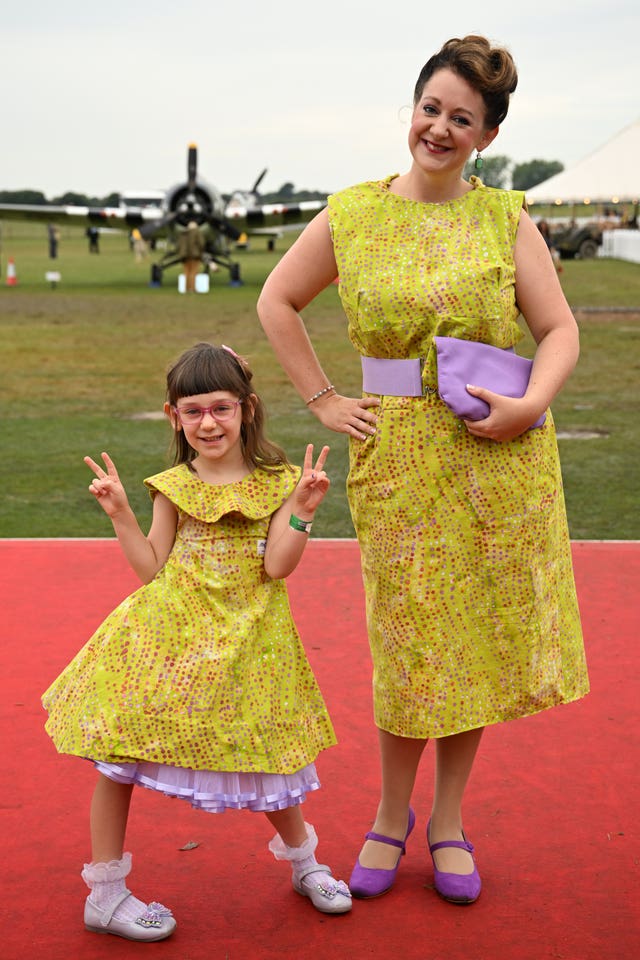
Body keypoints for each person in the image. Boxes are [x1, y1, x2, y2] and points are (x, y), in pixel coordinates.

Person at [257, 35, 588, 906]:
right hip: (397, 454)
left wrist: (530, 404)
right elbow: (276, 301)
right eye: (432, 108)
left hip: (494, 452)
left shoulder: (504, 217)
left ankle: (447, 821)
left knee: (470, 645)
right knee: (409, 646)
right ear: (411, 110)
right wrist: (325, 397)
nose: (440, 128)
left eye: (463, 119)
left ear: (486, 135)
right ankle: (387, 816)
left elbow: (559, 330)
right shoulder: (354, 213)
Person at [42, 342, 352, 942]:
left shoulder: (282, 482)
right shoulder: (171, 485)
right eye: (192, 411)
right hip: (166, 639)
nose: (208, 423)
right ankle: (104, 895)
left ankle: (306, 865)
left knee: (271, 757)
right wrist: (120, 513)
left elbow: (279, 568)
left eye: (220, 408)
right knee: (119, 758)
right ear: (173, 416)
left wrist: (304, 510)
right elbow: (152, 567)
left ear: (247, 409)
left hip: (251, 641)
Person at [177, 221, 205, 291]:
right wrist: (201, 251)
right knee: (194, 272)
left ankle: (187, 288)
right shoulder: (197, 232)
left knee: (186, 272)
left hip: (184, 255)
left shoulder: (183, 233)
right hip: (194, 255)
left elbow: (179, 245)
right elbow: (201, 243)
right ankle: (192, 288)